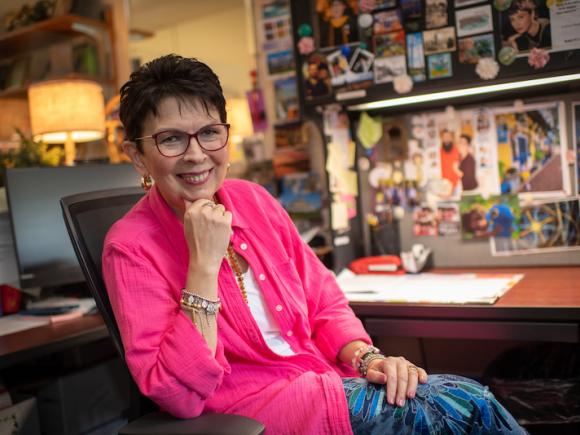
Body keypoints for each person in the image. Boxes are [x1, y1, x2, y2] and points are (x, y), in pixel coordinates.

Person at [103, 54, 526, 434]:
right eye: (172, 139)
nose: (197, 154)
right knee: (464, 406)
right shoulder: (130, 247)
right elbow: (176, 394)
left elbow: (324, 302)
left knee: (463, 400)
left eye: (210, 133)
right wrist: (203, 264)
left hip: (326, 378)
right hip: (251, 412)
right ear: (138, 156)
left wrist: (369, 359)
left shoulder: (254, 201)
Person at [439, 129, 462, 197]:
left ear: (451, 138)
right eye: (445, 136)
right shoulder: (439, 152)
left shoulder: (457, 150)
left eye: (448, 136)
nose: (447, 138)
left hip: (456, 185)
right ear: (442, 138)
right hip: (443, 186)